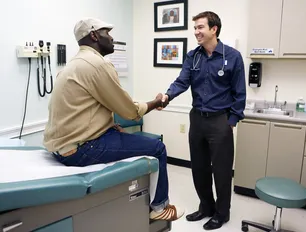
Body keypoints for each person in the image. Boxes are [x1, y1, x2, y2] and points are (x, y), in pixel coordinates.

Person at [43, 17, 184, 221]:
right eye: (107, 33)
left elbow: (89, 108)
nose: (112, 38)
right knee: (157, 148)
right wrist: (155, 102)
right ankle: (160, 207)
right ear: (93, 35)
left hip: (60, 147)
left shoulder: (72, 65)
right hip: (79, 150)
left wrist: (109, 126)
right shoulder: (97, 65)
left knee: (120, 134)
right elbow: (129, 111)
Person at [159, 11, 246, 230]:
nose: (196, 32)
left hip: (220, 121)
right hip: (197, 118)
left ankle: (222, 213)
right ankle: (206, 206)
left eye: (200, 27)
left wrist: (231, 121)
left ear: (213, 29)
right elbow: (182, 81)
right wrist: (167, 95)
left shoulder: (232, 56)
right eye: (195, 28)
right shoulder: (193, 56)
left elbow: (240, 93)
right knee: (199, 168)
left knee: (222, 170)